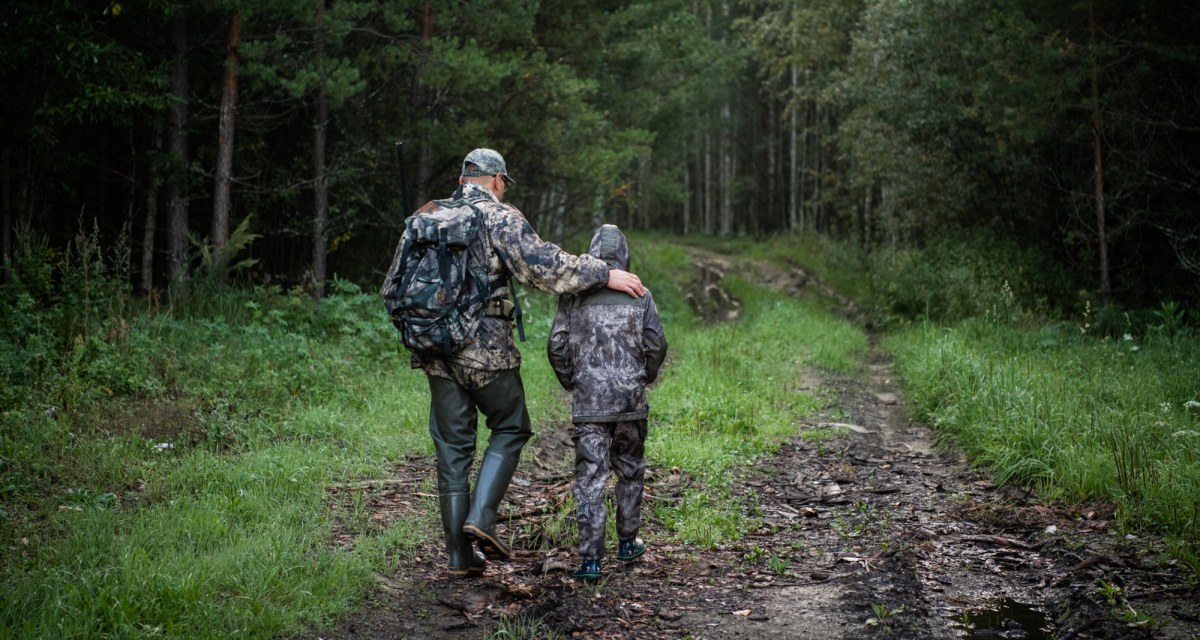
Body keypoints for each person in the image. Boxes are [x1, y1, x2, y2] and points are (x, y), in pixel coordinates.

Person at [381, 148, 646, 578]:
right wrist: (603, 273)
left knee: (452, 451)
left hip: (434, 354)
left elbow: (391, 290)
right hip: (487, 352)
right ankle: (481, 518)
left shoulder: (424, 217)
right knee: (511, 425)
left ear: (464, 178)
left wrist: (425, 331)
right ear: (497, 180)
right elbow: (545, 268)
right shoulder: (499, 218)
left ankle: (458, 558)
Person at [547, 224, 667, 583]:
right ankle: (628, 543)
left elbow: (556, 346)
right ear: (625, 255)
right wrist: (642, 376)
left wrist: (573, 380)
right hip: (630, 402)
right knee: (629, 470)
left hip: (589, 405)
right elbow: (656, 343)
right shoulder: (639, 293)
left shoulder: (573, 296)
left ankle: (590, 561)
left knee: (591, 478)